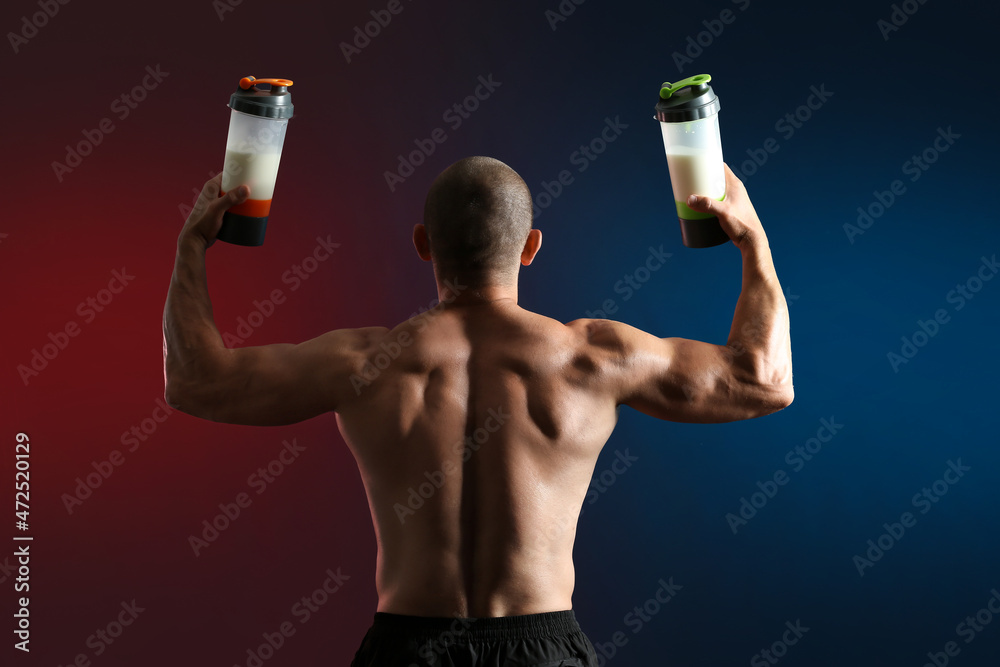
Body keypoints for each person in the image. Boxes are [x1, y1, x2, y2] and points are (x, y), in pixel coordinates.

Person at [162, 156, 793, 665]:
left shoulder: (363, 362)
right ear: (530, 248)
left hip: (408, 646)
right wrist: (752, 240)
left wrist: (193, 244)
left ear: (422, 245)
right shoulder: (592, 358)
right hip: (541, 647)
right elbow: (763, 382)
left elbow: (196, 382)